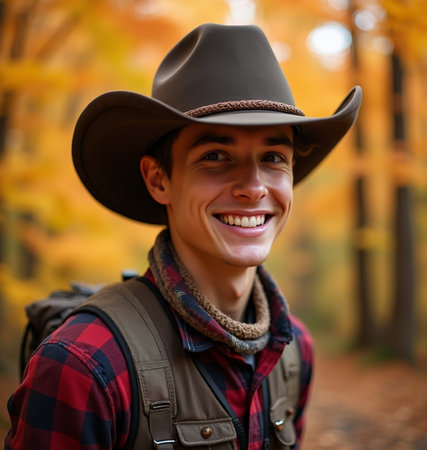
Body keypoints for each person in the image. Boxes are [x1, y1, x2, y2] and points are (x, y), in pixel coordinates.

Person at [5, 23, 361, 449]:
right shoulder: (84, 365)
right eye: (215, 156)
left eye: (272, 157)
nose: (253, 186)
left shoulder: (294, 351)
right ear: (159, 180)